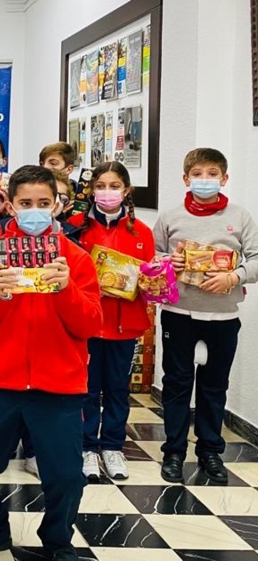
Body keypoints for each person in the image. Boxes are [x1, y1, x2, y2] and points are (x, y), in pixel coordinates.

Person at [0, 165, 102, 561]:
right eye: (25, 203)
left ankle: (57, 540)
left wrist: (66, 289)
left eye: (43, 202)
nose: (35, 210)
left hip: (59, 384)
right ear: (10, 205)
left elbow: (91, 323)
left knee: (66, 475)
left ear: (57, 205)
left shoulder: (76, 259)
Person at [153, 148, 258, 484]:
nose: (205, 180)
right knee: (176, 383)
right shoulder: (171, 217)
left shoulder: (239, 217)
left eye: (212, 174)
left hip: (223, 316)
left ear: (224, 179)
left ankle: (210, 450)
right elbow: (153, 257)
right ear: (186, 178)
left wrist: (235, 277)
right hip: (178, 313)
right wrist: (169, 262)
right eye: (197, 174)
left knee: (214, 385)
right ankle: (173, 451)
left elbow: (256, 258)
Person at [68, 162, 155, 482]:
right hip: (87, 323)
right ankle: (87, 446)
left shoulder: (141, 231)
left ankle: (113, 445)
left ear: (126, 190)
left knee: (118, 389)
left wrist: (150, 282)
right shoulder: (75, 227)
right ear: (91, 190)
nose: (107, 192)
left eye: (114, 186)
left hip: (125, 324)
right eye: (101, 186)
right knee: (87, 389)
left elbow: (150, 280)